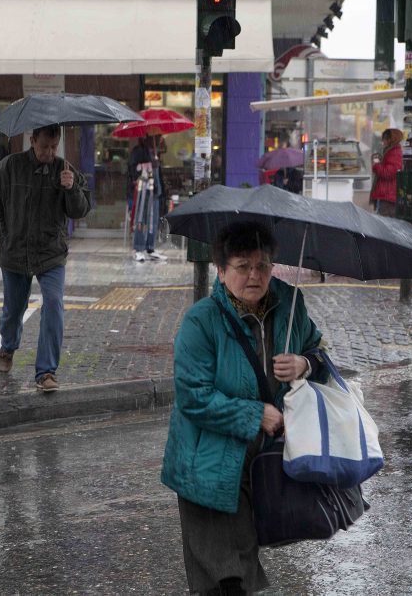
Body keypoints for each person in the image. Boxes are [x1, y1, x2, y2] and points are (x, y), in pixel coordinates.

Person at [161, 221, 330, 595]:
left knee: (240, 560)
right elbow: (194, 396)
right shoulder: (201, 321)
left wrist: (304, 364)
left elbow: (319, 352)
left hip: (260, 462)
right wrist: (257, 415)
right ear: (221, 272)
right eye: (242, 266)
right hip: (206, 463)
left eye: (263, 266)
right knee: (225, 574)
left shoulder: (289, 305)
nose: (254, 275)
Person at [0, 124, 92, 389]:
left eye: (54, 147)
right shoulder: (9, 167)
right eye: (45, 147)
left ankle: (46, 372)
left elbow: (81, 210)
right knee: (14, 310)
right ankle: (7, 347)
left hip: (51, 253)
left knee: (53, 304)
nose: (50, 153)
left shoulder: (65, 170)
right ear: (32, 140)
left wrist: (71, 188)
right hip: (15, 253)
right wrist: (4, 238)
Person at [127, 134, 168, 262]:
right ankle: (138, 248)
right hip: (143, 192)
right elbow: (134, 170)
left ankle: (150, 247)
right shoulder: (138, 151)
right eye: (157, 137)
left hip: (155, 191)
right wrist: (149, 165)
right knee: (142, 220)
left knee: (153, 221)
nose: (160, 140)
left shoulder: (154, 152)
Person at [369, 127, 404, 217]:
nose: (383, 142)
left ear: (391, 140)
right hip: (386, 196)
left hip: (387, 197)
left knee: (383, 225)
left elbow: (389, 173)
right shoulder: (390, 152)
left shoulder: (394, 153)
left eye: (384, 139)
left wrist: (376, 165)